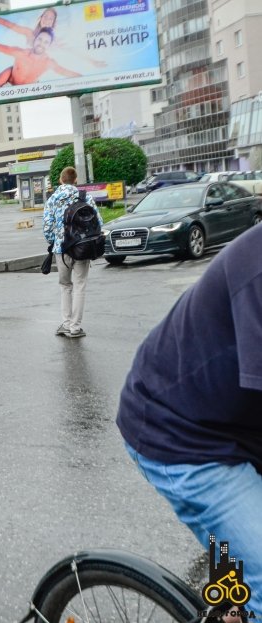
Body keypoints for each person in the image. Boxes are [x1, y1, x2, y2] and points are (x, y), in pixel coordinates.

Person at [116, 223, 262, 617]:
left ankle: (231, 599)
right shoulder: (259, 266)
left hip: (235, 421)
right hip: (180, 432)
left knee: (239, 558)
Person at [43, 166, 100, 338]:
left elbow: (47, 227)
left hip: (61, 249)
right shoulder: (85, 197)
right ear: (75, 180)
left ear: (61, 180)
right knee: (80, 286)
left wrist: (53, 242)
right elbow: (99, 221)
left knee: (65, 286)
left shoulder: (53, 199)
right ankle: (75, 328)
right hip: (82, 248)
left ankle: (66, 324)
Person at [0, 9, 105, 86]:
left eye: (50, 18)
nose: (47, 20)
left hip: (34, 73)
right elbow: (8, 24)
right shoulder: (28, 33)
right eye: (45, 16)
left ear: (53, 22)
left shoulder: (54, 42)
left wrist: (93, 61)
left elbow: (73, 51)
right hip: (19, 65)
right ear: (41, 18)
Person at [0, 28, 80, 87]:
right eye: (40, 39)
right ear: (35, 40)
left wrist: (90, 80)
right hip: (9, 86)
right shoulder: (20, 53)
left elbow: (65, 72)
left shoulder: (48, 62)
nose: (41, 44)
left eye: (46, 42)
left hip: (28, 91)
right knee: (7, 73)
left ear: (49, 45)